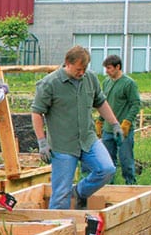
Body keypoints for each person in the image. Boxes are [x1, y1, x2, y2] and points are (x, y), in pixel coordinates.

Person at [32, 45, 118, 210]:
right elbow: (37, 112)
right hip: (63, 145)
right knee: (61, 194)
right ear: (67, 63)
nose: (81, 73)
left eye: (84, 69)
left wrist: (114, 124)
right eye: (79, 69)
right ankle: (54, 230)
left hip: (88, 139)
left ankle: (79, 192)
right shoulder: (50, 83)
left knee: (106, 169)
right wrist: (42, 142)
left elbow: (100, 102)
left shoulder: (90, 78)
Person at [96, 55, 141, 185]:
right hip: (108, 130)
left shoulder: (129, 83)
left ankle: (131, 186)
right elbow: (103, 103)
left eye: (109, 68)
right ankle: (110, 188)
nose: (107, 71)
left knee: (126, 161)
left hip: (123, 130)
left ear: (118, 67)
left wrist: (127, 122)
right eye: (106, 68)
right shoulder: (106, 83)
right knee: (108, 163)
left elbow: (135, 104)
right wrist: (100, 120)